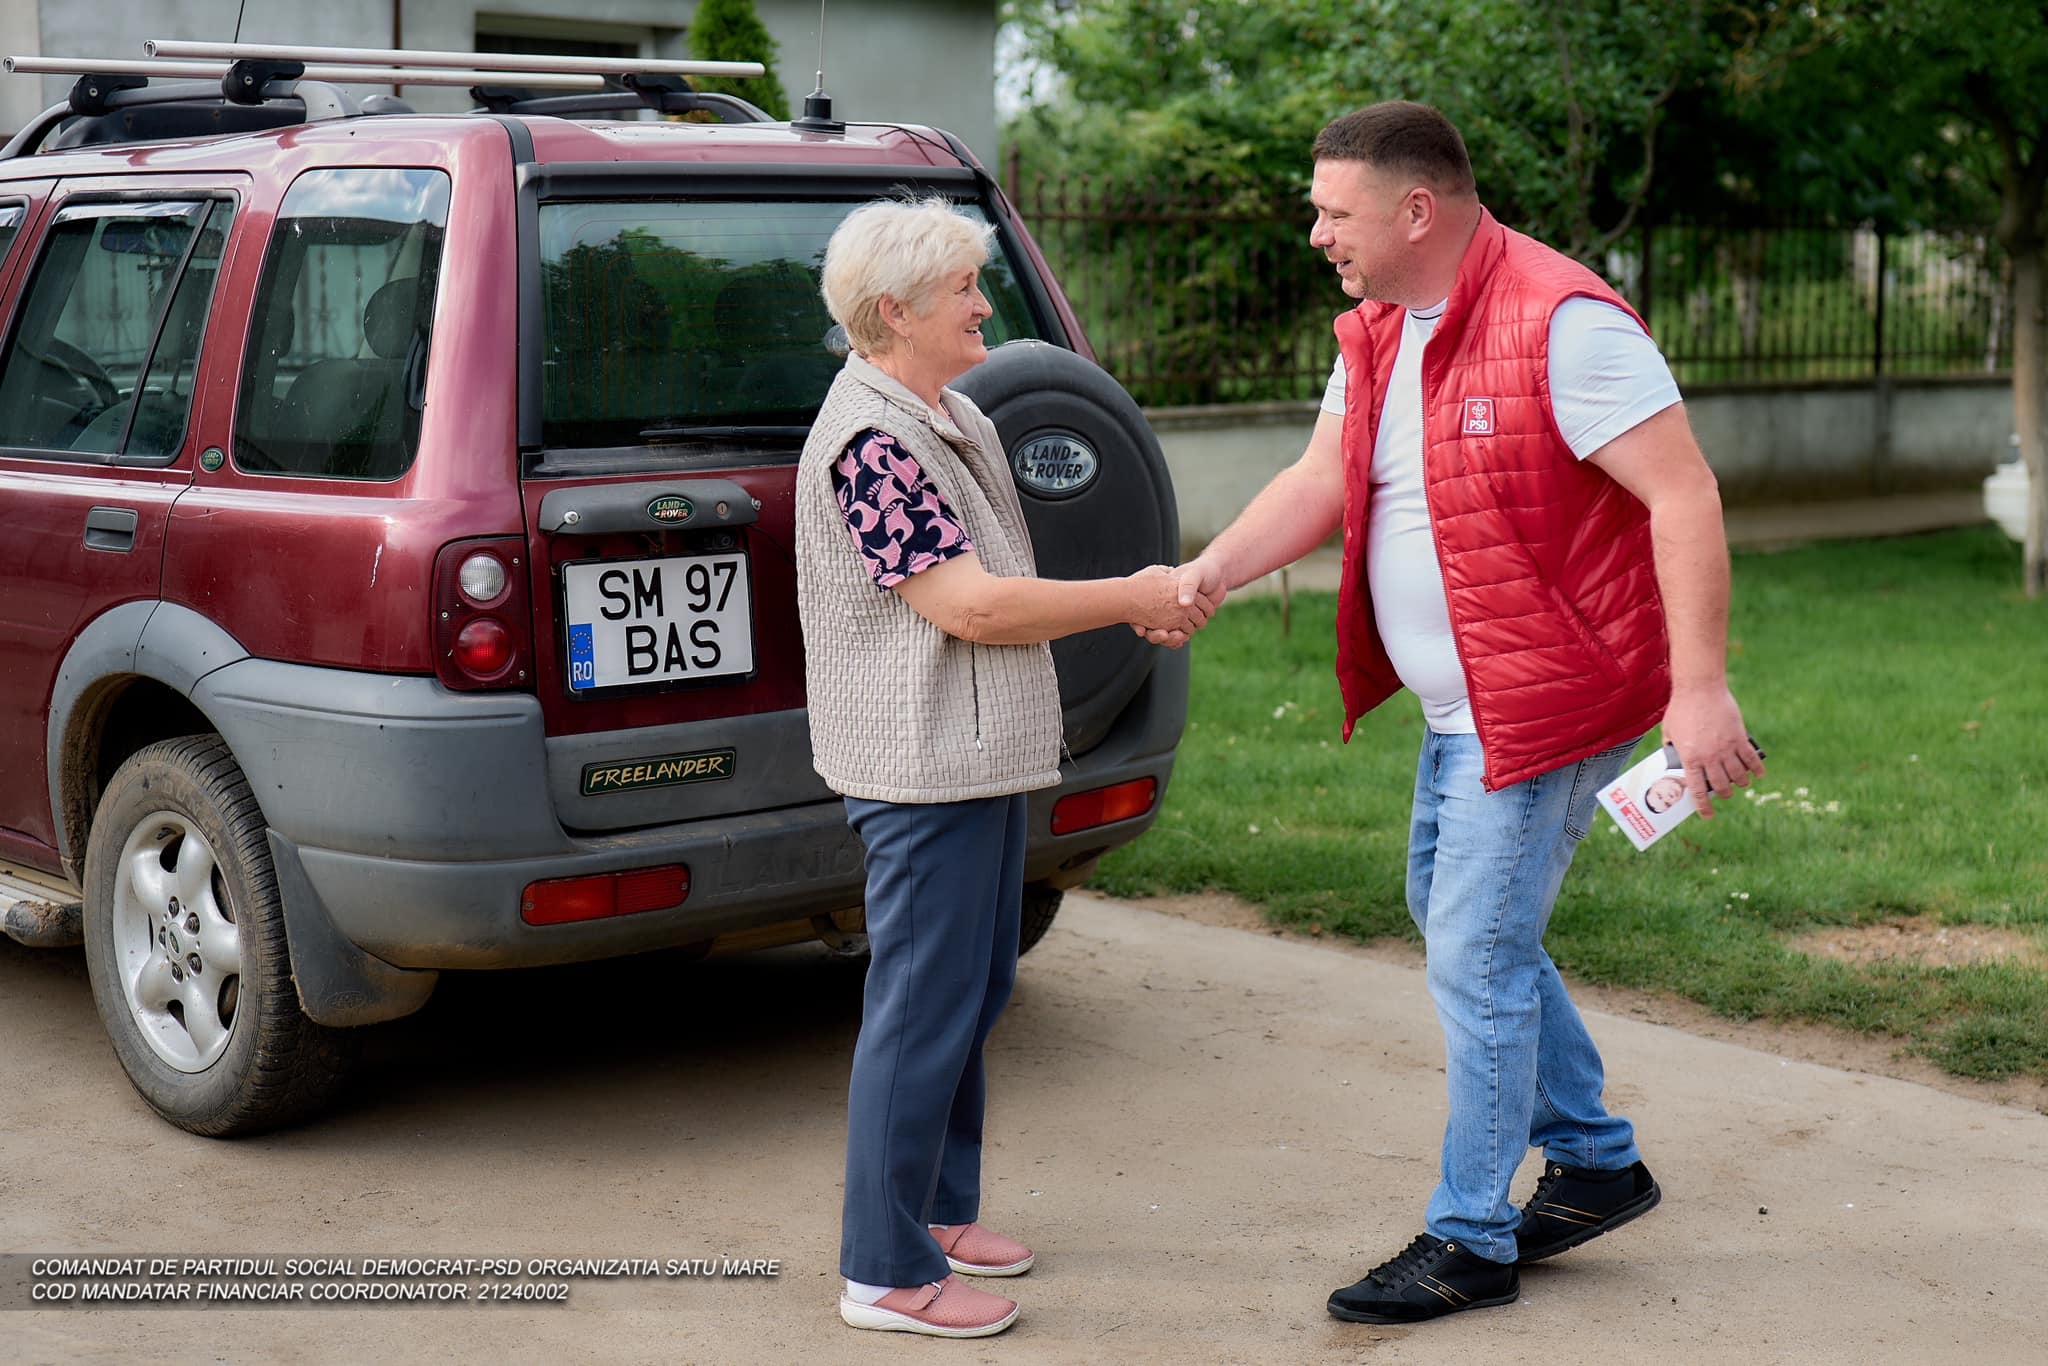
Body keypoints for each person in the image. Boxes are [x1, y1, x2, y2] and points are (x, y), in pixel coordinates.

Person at [1159, 102, 1765, 1325]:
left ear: (1413, 209)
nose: (1316, 231)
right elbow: (1323, 475)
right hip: (1461, 702)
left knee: (1473, 953)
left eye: (1333, 210)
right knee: (1463, 933)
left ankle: (1469, 1236)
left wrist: (1696, 690)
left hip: (1546, 694)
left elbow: (1683, 496)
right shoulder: (1381, 328)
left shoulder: (1564, 323)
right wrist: (1210, 571)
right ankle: (1592, 1162)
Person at [796, 197, 1213, 1339]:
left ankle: (934, 1210)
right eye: (964, 290)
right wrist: (1131, 598)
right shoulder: (869, 443)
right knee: (921, 1006)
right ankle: (881, 1271)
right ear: (894, 313)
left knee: (971, 989)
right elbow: (969, 606)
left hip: (971, 760)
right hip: (921, 769)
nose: (987, 305)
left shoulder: (936, 410)